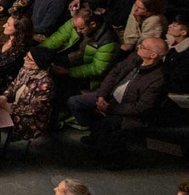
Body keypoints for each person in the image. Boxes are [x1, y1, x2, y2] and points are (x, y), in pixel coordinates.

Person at [68, 37, 168, 165]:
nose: (138, 47)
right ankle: (95, 131)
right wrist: (101, 96)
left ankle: (109, 152)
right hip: (111, 97)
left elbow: (142, 107)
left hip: (129, 110)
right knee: (75, 102)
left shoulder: (159, 78)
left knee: (109, 123)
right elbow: (113, 74)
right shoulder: (134, 58)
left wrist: (109, 109)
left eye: (143, 47)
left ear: (153, 55)